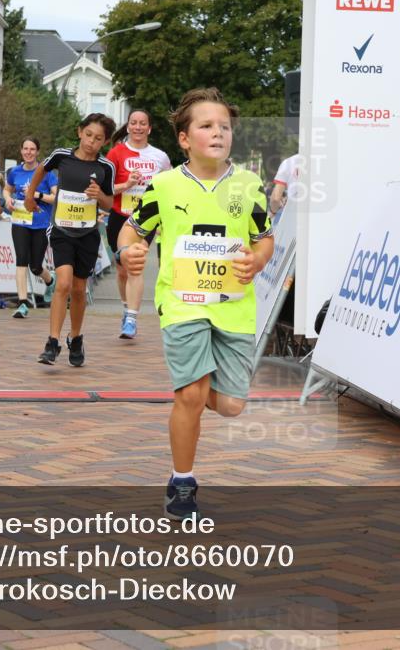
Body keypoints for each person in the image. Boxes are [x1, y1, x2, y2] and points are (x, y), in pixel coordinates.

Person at [116, 88, 274, 519]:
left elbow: (265, 239)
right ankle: (182, 480)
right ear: (184, 139)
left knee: (230, 405)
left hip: (234, 307)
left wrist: (257, 260)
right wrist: (127, 251)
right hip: (182, 303)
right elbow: (132, 231)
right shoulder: (163, 186)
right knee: (191, 393)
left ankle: (207, 388)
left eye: (224, 126)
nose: (218, 133)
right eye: (206, 126)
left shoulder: (248, 184)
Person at [27, 113, 116, 366]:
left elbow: (110, 204)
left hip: (87, 234)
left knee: (79, 289)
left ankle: (75, 338)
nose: (91, 142)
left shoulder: (105, 167)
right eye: (88, 135)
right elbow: (41, 169)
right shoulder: (62, 156)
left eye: (98, 139)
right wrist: (30, 195)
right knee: (63, 284)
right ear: (80, 132)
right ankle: (52, 342)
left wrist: (99, 195)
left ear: (105, 142)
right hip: (62, 231)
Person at [105, 110, 172, 339]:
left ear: (149, 128)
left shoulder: (160, 157)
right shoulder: (115, 153)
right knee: (123, 270)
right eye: (134, 123)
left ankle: (132, 318)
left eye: (143, 123)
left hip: (146, 218)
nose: (138, 127)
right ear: (128, 126)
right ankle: (126, 307)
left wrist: (164, 217)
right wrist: (126, 184)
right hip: (119, 215)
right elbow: (105, 189)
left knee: (136, 264)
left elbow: (169, 188)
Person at [4, 137, 58, 318]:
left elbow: (56, 197)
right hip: (20, 220)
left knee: (35, 266)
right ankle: (22, 303)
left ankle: (50, 280)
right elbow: (7, 189)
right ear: (21, 151)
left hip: (41, 224)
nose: (28, 152)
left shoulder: (47, 173)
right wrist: (8, 199)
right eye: (25, 149)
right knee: (21, 260)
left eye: (32, 149)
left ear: (37, 152)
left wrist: (37, 194)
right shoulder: (14, 172)